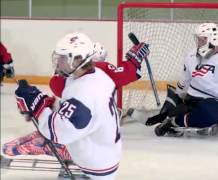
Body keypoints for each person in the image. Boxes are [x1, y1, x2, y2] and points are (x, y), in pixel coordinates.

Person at [13, 32, 149, 180]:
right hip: (105, 151)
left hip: (94, 166)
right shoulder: (96, 74)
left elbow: (58, 132)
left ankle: (60, 150)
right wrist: (45, 104)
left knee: (57, 134)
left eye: (63, 58)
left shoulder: (85, 93)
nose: (58, 63)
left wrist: (36, 105)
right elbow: (74, 107)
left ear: (77, 60)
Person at [146, 23, 218, 137]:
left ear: (213, 39)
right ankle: (180, 119)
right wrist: (175, 100)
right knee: (175, 110)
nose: (198, 44)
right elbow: (184, 81)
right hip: (192, 100)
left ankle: (175, 122)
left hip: (217, 102)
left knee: (209, 114)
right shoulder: (191, 55)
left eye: (202, 40)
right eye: (198, 40)